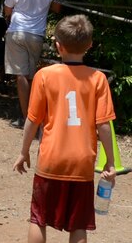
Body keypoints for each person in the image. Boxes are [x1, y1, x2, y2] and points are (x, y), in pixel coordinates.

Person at [13, 14, 116, 243]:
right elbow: (104, 126)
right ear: (89, 45)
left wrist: (24, 151)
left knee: (38, 218)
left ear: (58, 46)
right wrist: (109, 162)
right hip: (82, 163)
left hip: (51, 160)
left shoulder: (44, 76)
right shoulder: (98, 79)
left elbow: (33, 120)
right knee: (78, 224)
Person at [4, 0, 62, 127]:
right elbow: (57, 8)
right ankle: (34, 114)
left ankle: (27, 118)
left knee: (20, 75)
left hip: (16, 32)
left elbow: (7, 11)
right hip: (37, 34)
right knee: (31, 76)